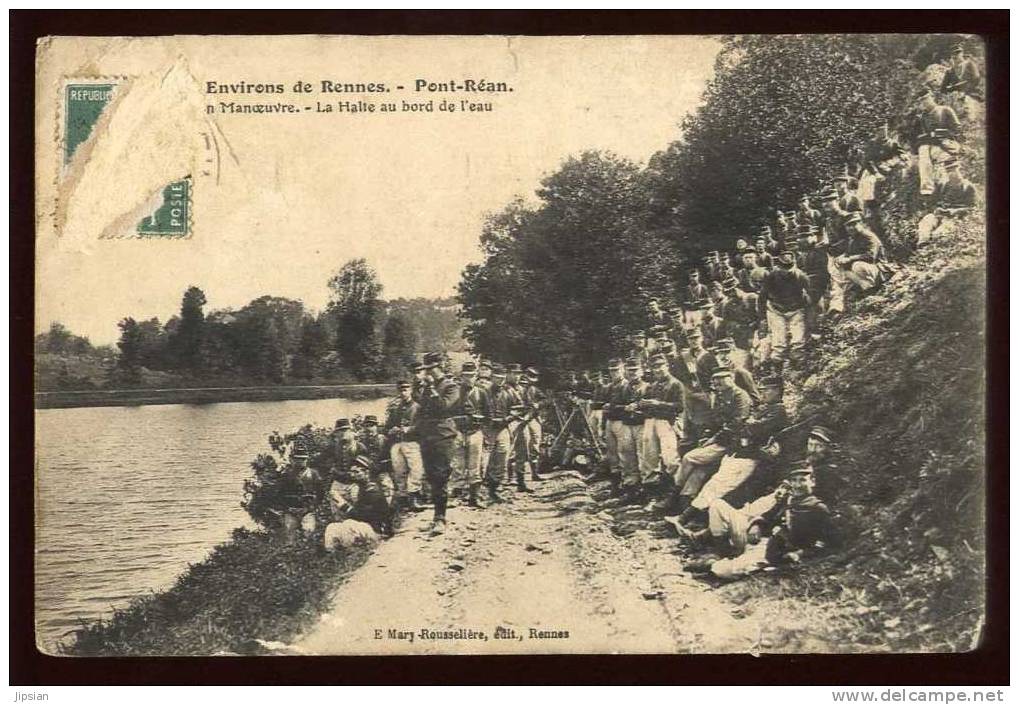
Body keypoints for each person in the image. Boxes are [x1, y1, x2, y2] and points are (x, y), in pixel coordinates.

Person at [686, 462, 839, 580]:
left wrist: (800, 553)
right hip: (758, 539)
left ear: (812, 481)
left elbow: (827, 542)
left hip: (771, 551)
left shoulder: (818, 508)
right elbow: (769, 515)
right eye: (794, 481)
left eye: (802, 480)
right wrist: (757, 524)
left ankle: (713, 565)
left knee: (722, 570)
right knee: (717, 505)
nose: (798, 485)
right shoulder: (789, 498)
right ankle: (723, 554)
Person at [672, 375, 788, 529]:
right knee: (713, 484)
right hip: (737, 453)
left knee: (718, 487)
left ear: (777, 391)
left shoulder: (778, 411)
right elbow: (741, 424)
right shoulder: (764, 408)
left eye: (767, 390)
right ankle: (689, 518)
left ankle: (685, 519)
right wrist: (745, 424)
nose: (763, 393)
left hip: (750, 457)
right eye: (761, 390)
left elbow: (751, 429)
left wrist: (746, 425)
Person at [664, 368, 752, 516]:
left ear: (731, 378)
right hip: (720, 440)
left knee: (689, 458)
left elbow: (737, 423)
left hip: (732, 442)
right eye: (715, 380)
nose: (717, 383)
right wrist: (707, 435)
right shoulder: (719, 396)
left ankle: (673, 494)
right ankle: (684, 508)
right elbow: (714, 420)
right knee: (698, 471)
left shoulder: (740, 396)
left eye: (721, 379)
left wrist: (714, 438)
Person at [416, 351, 462, 535]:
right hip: (427, 437)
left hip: (443, 436)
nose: (428, 372)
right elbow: (421, 409)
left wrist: (432, 389)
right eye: (426, 369)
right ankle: (436, 517)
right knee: (431, 478)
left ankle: (441, 519)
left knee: (441, 477)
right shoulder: (428, 387)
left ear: (440, 367)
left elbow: (443, 407)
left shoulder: (451, 386)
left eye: (432, 369)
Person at [323, 454, 396, 549]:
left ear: (366, 472)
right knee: (332, 527)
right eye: (352, 472)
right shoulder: (363, 488)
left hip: (376, 531)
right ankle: (333, 554)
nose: (353, 475)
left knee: (348, 524)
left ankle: (350, 552)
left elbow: (364, 516)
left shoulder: (372, 490)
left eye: (357, 472)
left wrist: (343, 505)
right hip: (366, 528)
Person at [637, 353, 684, 498]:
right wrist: (641, 405)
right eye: (655, 367)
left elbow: (680, 406)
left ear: (667, 366)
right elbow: (647, 403)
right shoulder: (654, 385)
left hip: (667, 422)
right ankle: (653, 493)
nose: (658, 370)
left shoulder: (676, 384)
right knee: (649, 458)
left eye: (660, 366)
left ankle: (677, 491)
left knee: (670, 458)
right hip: (651, 421)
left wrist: (659, 404)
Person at [757, 249, 811, 369]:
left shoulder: (800, 276)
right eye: (783, 268)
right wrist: (762, 318)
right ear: (778, 266)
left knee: (798, 339)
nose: (786, 272)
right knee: (779, 342)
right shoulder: (772, 276)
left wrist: (810, 316)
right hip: (776, 310)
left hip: (796, 309)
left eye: (789, 268)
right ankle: (777, 367)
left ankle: (798, 365)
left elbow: (810, 296)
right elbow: (762, 298)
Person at [384, 381, 427, 513]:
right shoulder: (396, 409)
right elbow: (387, 427)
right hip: (397, 443)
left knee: (416, 470)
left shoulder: (417, 408)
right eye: (401, 390)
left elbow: (422, 426)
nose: (403, 393)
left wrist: (409, 429)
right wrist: (390, 430)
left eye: (406, 390)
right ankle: (403, 498)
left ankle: (414, 497)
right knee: (399, 471)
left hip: (411, 442)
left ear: (411, 391)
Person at [911, 89, 962, 196]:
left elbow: (957, 129)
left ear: (932, 97)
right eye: (921, 101)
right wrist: (927, 137)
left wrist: (941, 133)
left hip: (947, 142)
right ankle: (927, 188)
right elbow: (919, 136)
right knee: (923, 150)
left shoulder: (945, 110)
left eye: (926, 99)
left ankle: (957, 187)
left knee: (950, 166)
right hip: (932, 145)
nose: (924, 103)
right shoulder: (923, 117)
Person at [916, 157, 978, 246]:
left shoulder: (968, 187)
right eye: (948, 171)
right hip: (939, 213)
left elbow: (972, 208)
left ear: (960, 170)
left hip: (955, 217)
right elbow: (932, 202)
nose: (951, 173)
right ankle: (923, 246)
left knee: (939, 234)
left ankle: (935, 248)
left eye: (954, 170)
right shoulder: (942, 185)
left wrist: (954, 211)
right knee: (925, 223)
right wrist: (936, 209)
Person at [449, 361, 487, 507]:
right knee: (457, 465)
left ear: (476, 376)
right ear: (461, 376)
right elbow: (448, 413)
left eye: (471, 376)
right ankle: (456, 497)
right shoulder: (455, 393)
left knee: (474, 465)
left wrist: (479, 420)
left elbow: (488, 414)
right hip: (458, 432)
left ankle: (474, 497)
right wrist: (458, 420)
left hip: (475, 432)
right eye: (466, 376)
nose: (468, 379)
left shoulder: (481, 392)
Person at [614, 357, 648, 504]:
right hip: (626, 424)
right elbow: (613, 406)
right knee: (627, 455)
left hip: (642, 424)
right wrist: (625, 407)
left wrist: (639, 407)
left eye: (635, 370)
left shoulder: (648, 387)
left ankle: (647, 489)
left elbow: (652, 407)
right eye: (630, 370)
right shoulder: (622, 388)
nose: (633, 373)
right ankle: (631, 487)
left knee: (644, 455)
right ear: (626, 371)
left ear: (641, 371)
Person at [834, 212, 885, 297]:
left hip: (878, 267)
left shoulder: (868, 236)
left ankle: (872, 285)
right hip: (866, 269)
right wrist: (842, 257)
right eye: (848, 226)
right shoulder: (854, 238)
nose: (851, 228)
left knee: (857, 265)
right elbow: (850, 252)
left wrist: (850, 259)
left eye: (854, 224)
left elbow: (871, 256)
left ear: (860, 223)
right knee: (840, 269)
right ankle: (865, 286)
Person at [939, 42, 983, 119]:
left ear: (962, 53)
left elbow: (976, 79)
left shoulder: (970, 64)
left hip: (972, 94)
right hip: (956, 98)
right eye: (953, 54)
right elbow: (943, 89)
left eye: (957, 53)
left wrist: (965, 91)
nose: (955, 55)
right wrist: (953, 89)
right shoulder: (950, 71)